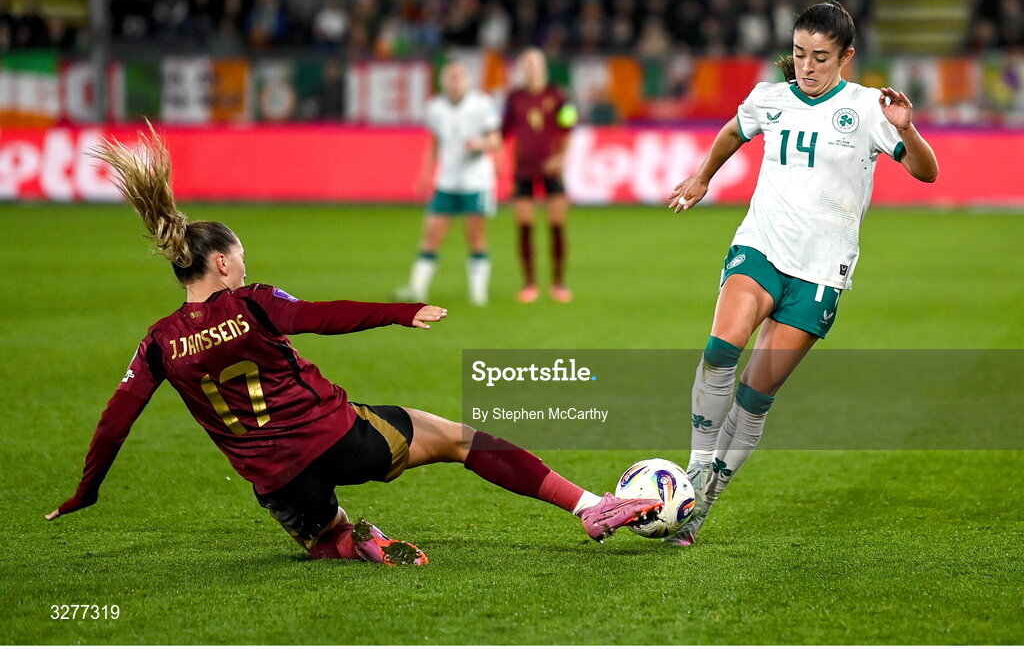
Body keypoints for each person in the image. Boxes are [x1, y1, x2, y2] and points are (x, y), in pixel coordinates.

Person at [46, 128, 660, 565]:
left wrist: (87, 491)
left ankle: (347, 538)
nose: (242, 266)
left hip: (274, 479)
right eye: (239, 259)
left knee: (322, 537)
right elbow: (322, 316)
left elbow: (114, 424)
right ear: (222, 262)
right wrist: (400, 311)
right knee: (460, 438)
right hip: (335, 436)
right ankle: (586, 506)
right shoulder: (253, 301)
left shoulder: (158, 343)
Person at [667, 1, 938, 547]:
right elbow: (731, 132)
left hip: (821, 271)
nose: (807, 67)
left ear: (846, 57)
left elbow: (925, 172)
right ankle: (695, 469)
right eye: (798, 54)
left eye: (820, 57)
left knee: (755, 396)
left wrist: (908, 131)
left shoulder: (867, 108)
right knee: (722, 348)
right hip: (761, 246)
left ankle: (703, 505)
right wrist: (702, 178)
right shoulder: (770, 98)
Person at [395, 61, 501, 306]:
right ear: (444, 81)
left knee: (475, 237)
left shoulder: (482, 104)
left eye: (459, 76)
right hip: (447, 180)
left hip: (477, 180)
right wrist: (425, 174)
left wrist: (480, 144)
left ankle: (478, 294)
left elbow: (496, 140)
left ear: (467, 80)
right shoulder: (435, 107)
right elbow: (434, 143)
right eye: (450, 76)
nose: (455, 81)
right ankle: (417, 289)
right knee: (432, 234)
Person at [501, 48, 578, 303]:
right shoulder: (514, 98)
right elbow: (503, 132)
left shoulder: (558, 95)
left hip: (551, 169)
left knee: (556, 224)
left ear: (543, 67)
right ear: (522, 69)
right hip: (523, 169)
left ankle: (558, 283)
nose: (531, 69)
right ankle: (529, 284)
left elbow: (569, 129)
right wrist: (501, 160)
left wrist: (559, 158)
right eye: (527, 64)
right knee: (525, 225)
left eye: (535, 64)